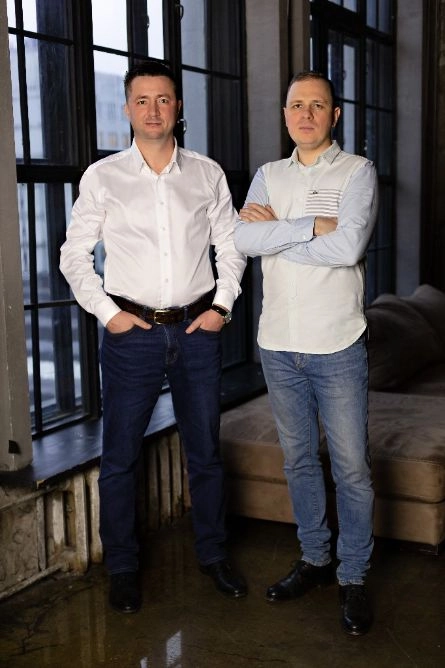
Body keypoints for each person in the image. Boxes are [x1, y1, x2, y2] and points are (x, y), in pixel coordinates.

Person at [60, 60, 247, 613]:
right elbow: (73, 256)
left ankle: (213, 555)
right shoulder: (103, 177)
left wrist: (221, 308)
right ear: (127, 108)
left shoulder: (207, 174)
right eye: (142, 100)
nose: (153, 110)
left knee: (205, 452)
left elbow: (231, 246)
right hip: (131, 334)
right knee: (120, 457)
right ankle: (122, 568)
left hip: (197, 330)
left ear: (178, 107)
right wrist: (108, 314)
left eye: (163, 99)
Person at [234, 71, 378, 636]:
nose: (306, 115)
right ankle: (315, 559)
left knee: (351, 468)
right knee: (298, 461)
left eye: (318, 105)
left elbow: (349, 247)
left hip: (336, 342)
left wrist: (281, 233)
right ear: (286, 114)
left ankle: (354, 575)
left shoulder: (358, 171)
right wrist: (313, 226)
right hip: (278, 344)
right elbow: (243, 240)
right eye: (297, 105)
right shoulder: (268, 175)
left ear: (334, 115)